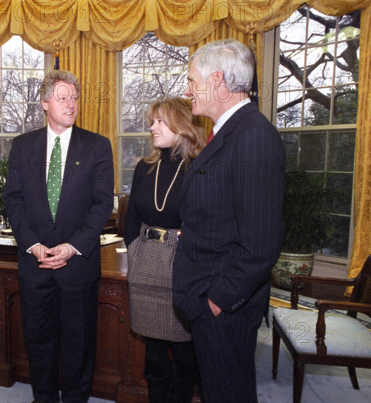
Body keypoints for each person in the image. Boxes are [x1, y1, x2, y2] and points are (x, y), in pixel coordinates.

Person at [173, 39, 286, 403]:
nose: (187, 89)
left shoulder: (252, 136)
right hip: (211, 299)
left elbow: (262, 242)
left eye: (192, 81)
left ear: (217, 80)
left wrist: (217, 301)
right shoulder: (229, 131)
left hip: (225, 306)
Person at [4, 70, 114, 403]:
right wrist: (34, 246)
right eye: (63, 97)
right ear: (44, 103)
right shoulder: (23, 147)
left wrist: (72, 246)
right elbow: (14, 200)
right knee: (39, 344)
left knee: (79, 346)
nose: (71, 104)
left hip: (78, 268)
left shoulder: (97, 146)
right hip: (35, 266)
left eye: (75, 97)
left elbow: (101, 204)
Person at [124, 97, 205, 403]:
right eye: (152, 121)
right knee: (154, 354)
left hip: (182, 266)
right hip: (146, 264)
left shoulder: (198, 168)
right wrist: (134, 250)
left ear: (181, 125)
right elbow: (131, 217)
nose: (152, 127)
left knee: (186, 354)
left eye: (159, 121)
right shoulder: (144, 168)